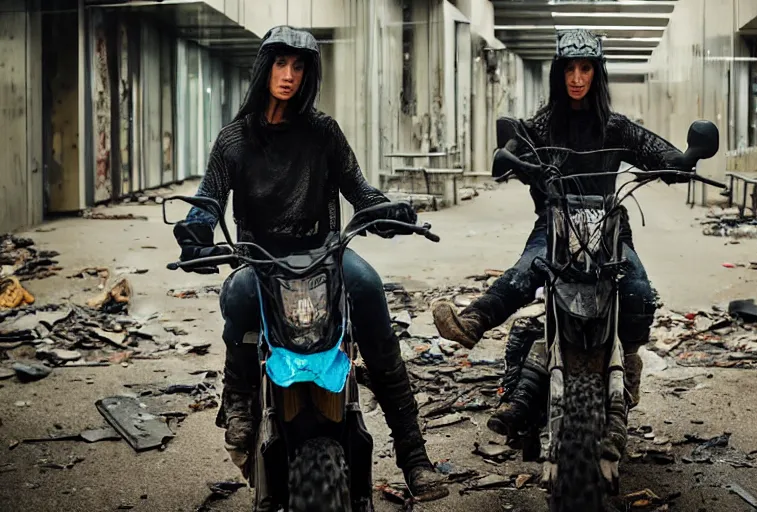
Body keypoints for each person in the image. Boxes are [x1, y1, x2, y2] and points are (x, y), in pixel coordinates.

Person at [172, 26, 448, 500]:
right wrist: (195, 231)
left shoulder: (323, 132)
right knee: (236, 294)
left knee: (370, 289)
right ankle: (239, 397)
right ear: (264, 69)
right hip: (260, 259)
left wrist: (386, 210)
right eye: (281, 64)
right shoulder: (234, 139)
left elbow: (359, 188)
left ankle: (414, 455)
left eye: (299, 67)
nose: (289, 75)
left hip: (325, 254)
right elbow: (209, 197)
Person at [432, 28, 696, 436]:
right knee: (526, 271)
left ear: (596, 73)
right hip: (555, 220)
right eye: (569, 69)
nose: (577, 77)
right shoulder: (542, 125)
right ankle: (473, 321)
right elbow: (511, 151)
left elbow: (659, 152)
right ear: (559, 74)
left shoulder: (616, 127)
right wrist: (509, 157)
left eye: (585, 68)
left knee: (639, 291)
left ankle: (628, 356)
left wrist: (682, 160)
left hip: (608, 224)